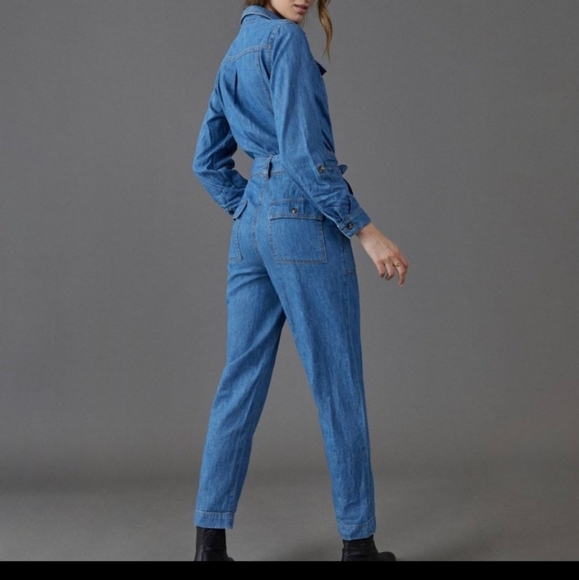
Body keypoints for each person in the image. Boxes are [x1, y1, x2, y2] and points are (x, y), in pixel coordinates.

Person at [192, 0, 409, 562]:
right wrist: (366, 231)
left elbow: (206, 161)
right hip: (302, 218)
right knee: (337, 379)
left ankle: (208, 547)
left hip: (251, 227)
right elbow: (306, 154)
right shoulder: (285, 41)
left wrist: (251, 208)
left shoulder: (233, 53)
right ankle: (358, 547)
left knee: (239, 381)